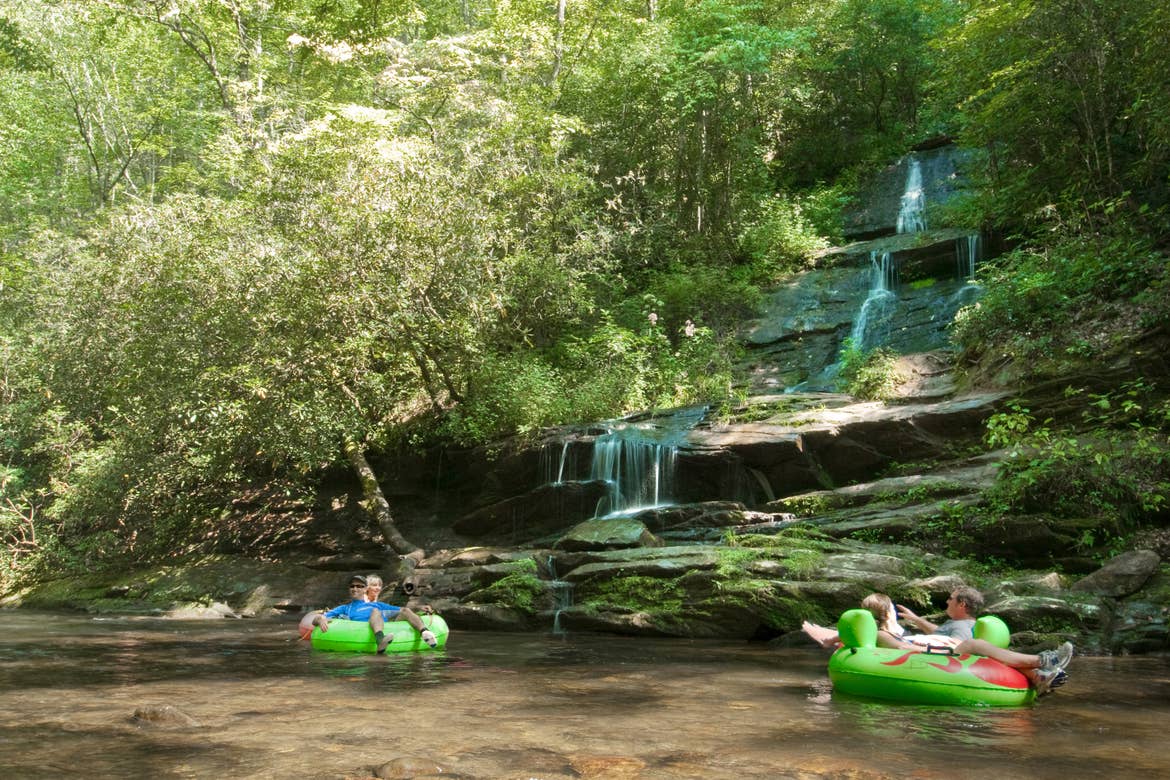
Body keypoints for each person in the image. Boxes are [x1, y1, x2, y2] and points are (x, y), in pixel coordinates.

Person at [804, 589, 1074, 695]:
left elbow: (934, 639)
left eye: (950, 598)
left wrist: (832, 637)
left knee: (979, 648)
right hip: (931, 652)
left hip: (938, 651)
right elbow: (908, 645)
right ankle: (1040, 665)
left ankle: (1040, 670)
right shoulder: (882, 636)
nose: (946, 601)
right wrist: (920, 636)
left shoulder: (884, 634)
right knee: (978, 647)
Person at [304, 574, 438, 652]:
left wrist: (418, 608)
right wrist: (320, 619)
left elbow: (400, 609)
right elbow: (316, 619)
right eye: (352, 586)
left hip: (382, 621)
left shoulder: (376, 604)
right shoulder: (345, 608)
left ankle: (425, 632)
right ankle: (380, 640)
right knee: (376, 611)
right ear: (349, 589)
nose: (355, 588)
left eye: (359, 586)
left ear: (365, 589)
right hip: (361, 631)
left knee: (405, 610)